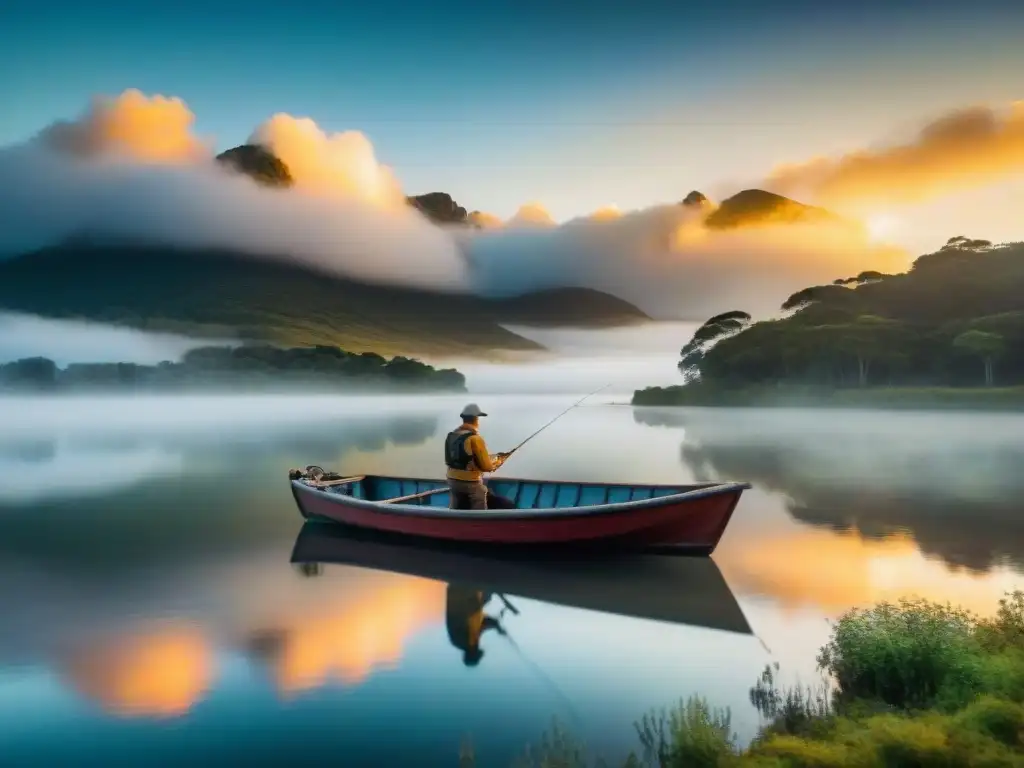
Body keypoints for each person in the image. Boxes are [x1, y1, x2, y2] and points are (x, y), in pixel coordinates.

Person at [444, 403, 517, 510]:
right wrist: (497, 462)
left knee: (456, 501)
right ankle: (479, 519)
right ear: (475, 420)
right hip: (469, 482)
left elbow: (462, 457)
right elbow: (486, 467)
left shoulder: (452, 435)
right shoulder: (475, 439)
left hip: (452, 480)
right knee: (481, 493)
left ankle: (453, 516)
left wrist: (494, 457)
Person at [444, 585, 506, 667]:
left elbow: (480, 624)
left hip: (462, 595)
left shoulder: (464, 641)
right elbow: (482, 625)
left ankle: (485, 582)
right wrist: (497, 626)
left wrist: (496, 625)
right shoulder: (467, 643)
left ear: (473, 654)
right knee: (486, 597)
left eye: (477, 655)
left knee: (486, 596)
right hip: (461, 596)